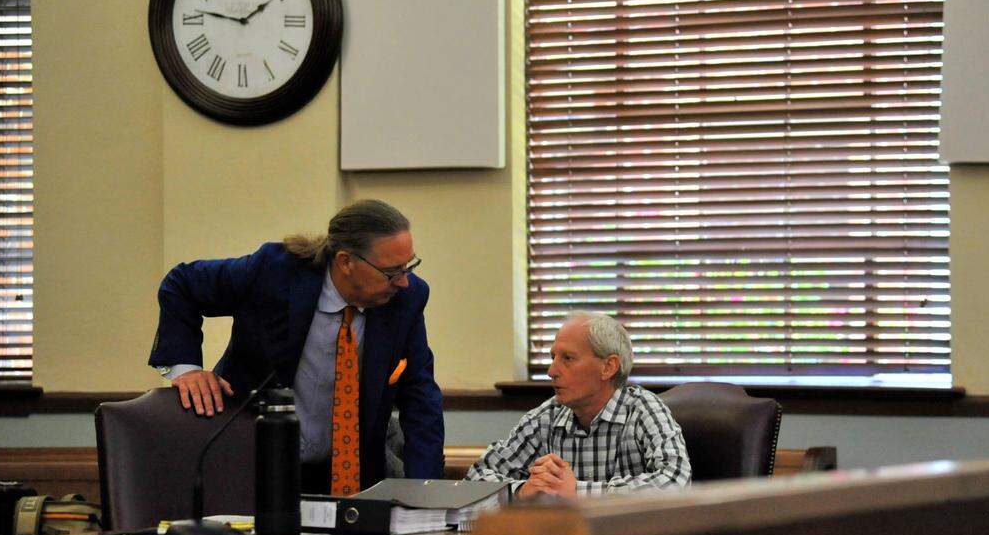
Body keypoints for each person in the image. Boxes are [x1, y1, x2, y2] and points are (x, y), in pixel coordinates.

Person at [148, 199, 444, 494]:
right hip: (253, 467)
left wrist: (425, 493)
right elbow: (182, 284)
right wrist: (186, 369)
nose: (404, 282)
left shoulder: (406, 299)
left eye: (409, 266)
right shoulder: (274, 272)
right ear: (345, 262)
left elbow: (420, 398)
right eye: (392, 272)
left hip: (345, 478)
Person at [466, 312, 690, 498]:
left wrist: (577, 491)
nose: (551, 371)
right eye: (552, 357)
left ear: (608, 367)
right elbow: (476, 477)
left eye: (567, 358)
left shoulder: (643, 409)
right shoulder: (548, 416)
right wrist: (520, 491)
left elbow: (675, 481)